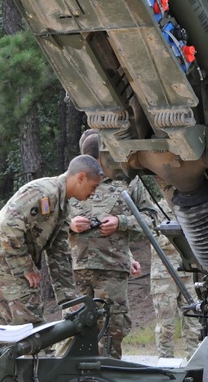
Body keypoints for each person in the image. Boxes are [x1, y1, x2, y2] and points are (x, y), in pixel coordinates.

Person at [0, 155, 104, 327]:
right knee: (31, 328)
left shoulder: (62, 206)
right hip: (1, 262)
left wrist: (69, 298)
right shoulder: (44, 192)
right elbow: (9, 226)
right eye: (93, 187)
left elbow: (59, 253)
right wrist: (25, 267)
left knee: (0, 332)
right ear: (81, 178)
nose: (93, 194)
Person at [68, 129, 159, 359]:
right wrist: (70, 225)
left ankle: (109, 380)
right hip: (75, 272)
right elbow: (46, 225)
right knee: (72, 330)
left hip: (112, 273)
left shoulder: (129, 182)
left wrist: (122, 222)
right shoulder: (71, 181)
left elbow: (153, 219)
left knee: (111, 329)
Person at [149, 205, 202, 359]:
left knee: (193, 324)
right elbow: (156, 240)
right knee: (166, 326)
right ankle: (166, 365)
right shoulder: (155, 210)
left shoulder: (187, 207)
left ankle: (194, 363)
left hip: (188, 273)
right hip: (164, 277)